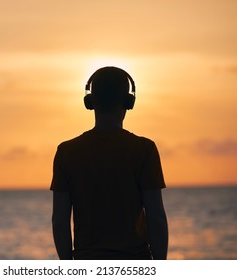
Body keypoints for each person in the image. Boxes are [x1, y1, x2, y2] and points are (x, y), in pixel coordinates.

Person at [50, 66, 168, 260]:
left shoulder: (66, 152)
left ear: (90, 102)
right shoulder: (144, 149)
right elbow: (156, 218)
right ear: (129, 102)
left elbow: (60, 221)